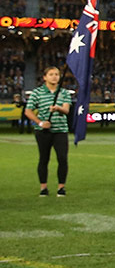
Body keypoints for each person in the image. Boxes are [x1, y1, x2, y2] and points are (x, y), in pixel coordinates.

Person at [26, 66, 72, 196]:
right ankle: (43, 187)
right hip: (43, 131)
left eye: (57, 74)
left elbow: (67, 110)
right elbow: (28, 111)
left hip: (60, 130)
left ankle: (61, 187)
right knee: (44, 158)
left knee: (62, 158)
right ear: (45, 77)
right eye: (51, 74)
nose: (54, 77)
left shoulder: (64, 93)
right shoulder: (37, 92)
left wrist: (58, 108)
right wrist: (40, 122)